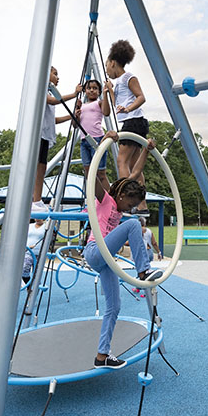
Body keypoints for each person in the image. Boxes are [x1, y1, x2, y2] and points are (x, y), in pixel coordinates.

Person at [84, 130, 161, 369]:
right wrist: (102, 144)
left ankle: (102, 356)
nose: (131, 208)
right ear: (120, 195)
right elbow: (92, 175)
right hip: (95, 251)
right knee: (133, 224)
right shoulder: (105, 200)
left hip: (106, 259)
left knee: (114, 307)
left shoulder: (120, 207)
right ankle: (143, 271)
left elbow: (135, 173)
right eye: (130, 203)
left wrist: (146, 151)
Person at [105, 40, 149, 216]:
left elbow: (141, 97)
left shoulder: (128, 77)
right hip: (131, 122)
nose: (107, 70)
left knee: (121, 161)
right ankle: (142, 205)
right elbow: (117, 106)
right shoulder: (118, 83)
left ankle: (126, 199)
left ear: (113, 63)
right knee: (133, 165)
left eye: (106, 65)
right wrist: (109, 91)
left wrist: (129, 109)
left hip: (134, 121)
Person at [32, 66, 82, 211]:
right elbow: (54, 101)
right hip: (38, 134)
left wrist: (71, 116)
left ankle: (37, 199)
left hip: (45, 135)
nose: (57, 77)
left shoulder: (47, 93)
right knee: (37, 168)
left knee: (42, 168)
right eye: (55, 74)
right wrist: (74, 94)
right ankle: (34, 199)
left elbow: (52, 120)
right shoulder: (41, 90)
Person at [75, 77, 112, 192]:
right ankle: (96, 198)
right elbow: (75, 125)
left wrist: (105, 94)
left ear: (99, 92)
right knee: (88, 173)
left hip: (97, 139)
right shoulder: (81, 105)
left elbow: (106, 112)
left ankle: (110, 199)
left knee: (100, 173)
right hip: (84, 141)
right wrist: (76, 112)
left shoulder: (99, 103)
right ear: (85, 91)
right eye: (89, 88)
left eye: (95, 88)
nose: (91, 90)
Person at [22, 218, 46, 283]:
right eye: (36, 217)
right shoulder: (30, 226)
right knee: (24, 269)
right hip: (28, 251)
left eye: (39, 218)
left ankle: (36, 285)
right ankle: (28, 286)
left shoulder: (46, 227)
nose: (37, 219)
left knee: (37, 272)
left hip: (40, 253)